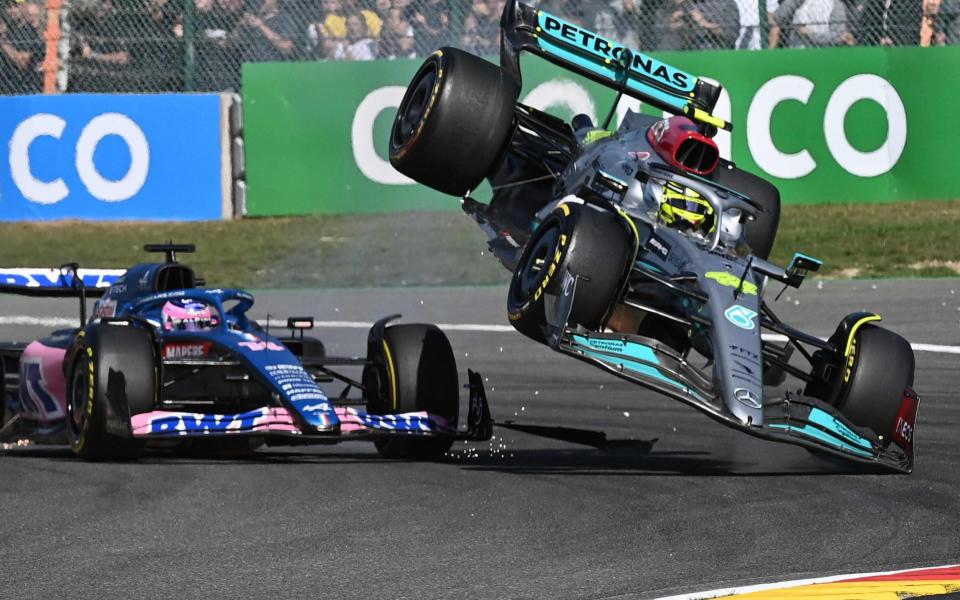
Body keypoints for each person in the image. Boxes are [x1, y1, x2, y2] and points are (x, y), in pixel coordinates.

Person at [194, 0, 244, 91]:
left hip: (226, 67)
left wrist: (224, 40)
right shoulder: (198, 16)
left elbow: (232, 41)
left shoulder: (235, 16)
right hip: (203, 67)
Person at [0, 0, 44, 94]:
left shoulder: (30, 32)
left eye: (16, 6)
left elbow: (22, 61)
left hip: (23, 87)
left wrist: (3, 42)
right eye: (8, 7)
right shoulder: (9, 30)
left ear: (25, 7)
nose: (12, 10)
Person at [772, 0, 853, 47]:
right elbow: (778, 17)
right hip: (799, 50)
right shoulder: (798, 2)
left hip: (825, 52)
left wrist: (810, 34)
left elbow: (838, 36)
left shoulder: (836, 5)